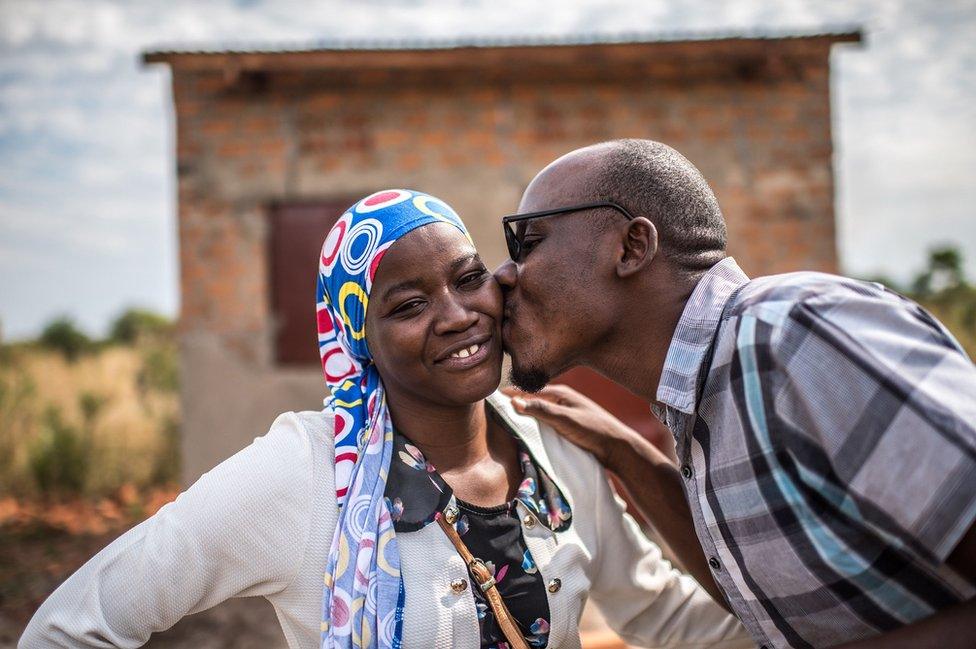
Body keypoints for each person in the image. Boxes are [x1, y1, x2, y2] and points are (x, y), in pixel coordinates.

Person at [21, 189, 750, 649]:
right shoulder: (303, 474)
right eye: (407, 305)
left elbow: (669, 618)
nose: (459, 315)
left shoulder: (552, 451)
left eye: (468, 280)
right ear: (356, 340)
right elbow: (72, 624)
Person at [493, 139, 976, 649]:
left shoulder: (793, 336)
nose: (504, 274)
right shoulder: (707, 397)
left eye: (529, 243)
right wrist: (626, 454)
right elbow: (754, 599)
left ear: (631, 247)